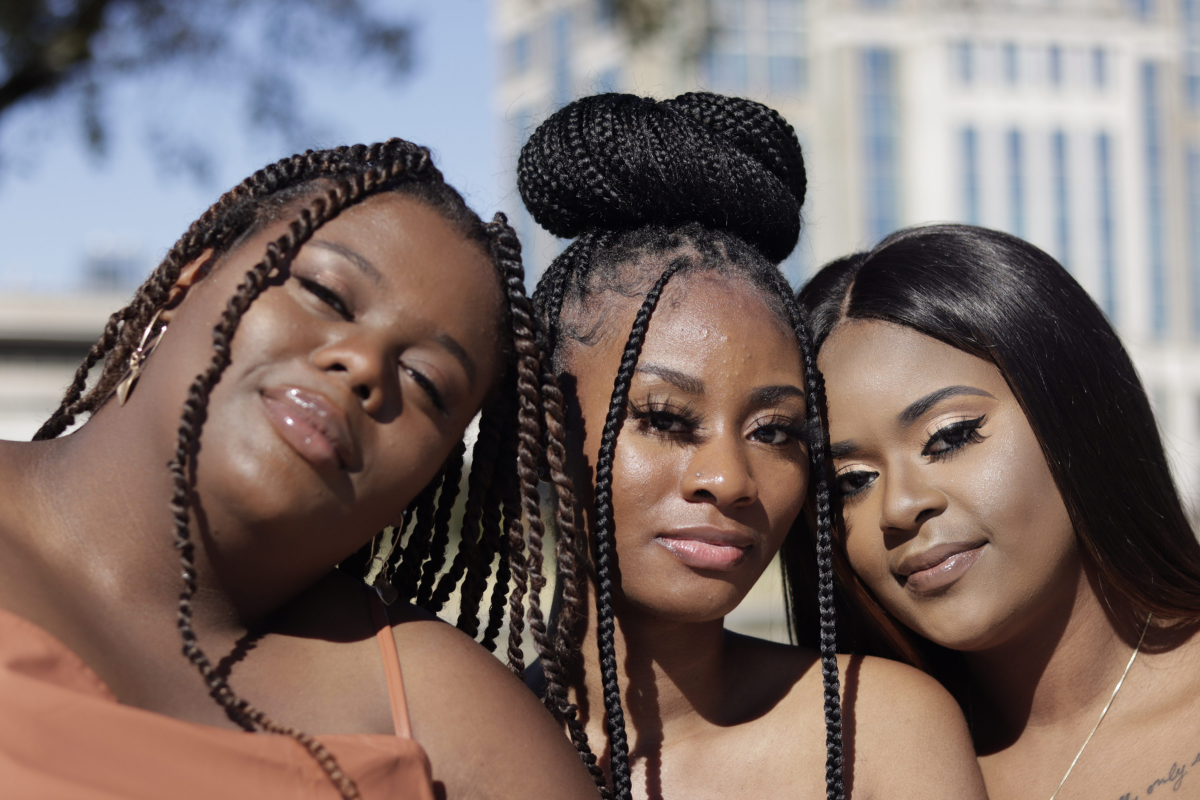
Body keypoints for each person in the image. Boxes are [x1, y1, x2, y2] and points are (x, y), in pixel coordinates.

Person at [0, 139, 598, 800]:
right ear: (186, 284)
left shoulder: (451, 723)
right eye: (324, 294)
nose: (364, 364)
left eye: (427, 383)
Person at [516, 92, 987, 800]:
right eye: (665, 419)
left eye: (774, 432)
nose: (730, 479)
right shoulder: (441, 734)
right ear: (543, 425)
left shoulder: (881, 729)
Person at [796, 223, 1200, 800]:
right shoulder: (832, 767)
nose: (901, 507)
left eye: (950, 436)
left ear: (1076, 412)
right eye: (852, 481)